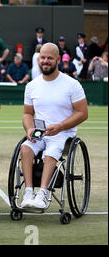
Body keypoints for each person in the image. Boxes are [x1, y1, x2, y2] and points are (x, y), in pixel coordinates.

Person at [19, 43, 88, 210]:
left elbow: (82, 113)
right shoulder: (32, 86)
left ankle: (42, 194)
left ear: (58, 59)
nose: (45, 61)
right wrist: (29, 129)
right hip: (40, 133)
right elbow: (28, 114)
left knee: (51, 152)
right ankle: (28, 192)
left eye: (50, 58)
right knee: (25, 148)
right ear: (38, 59)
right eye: (43, 57)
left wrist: (61, 126)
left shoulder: (72, 84)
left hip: (63, 134)